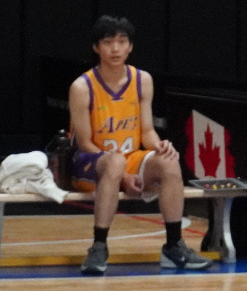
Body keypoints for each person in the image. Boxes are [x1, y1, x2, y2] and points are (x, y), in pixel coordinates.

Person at [65, 16, 211, 276]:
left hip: (129, 158)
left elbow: (146, 131)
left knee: (168, 161)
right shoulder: (81, 87)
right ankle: (99, 247)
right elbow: (85, 144)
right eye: (108, 42)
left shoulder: (142, 80)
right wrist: (122, 175)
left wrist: (160, 145)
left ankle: (174, 246)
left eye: (122, 42)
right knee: (115, 161)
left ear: (130, 46)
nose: (115, 49)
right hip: (92, 163)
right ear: (97, 47)